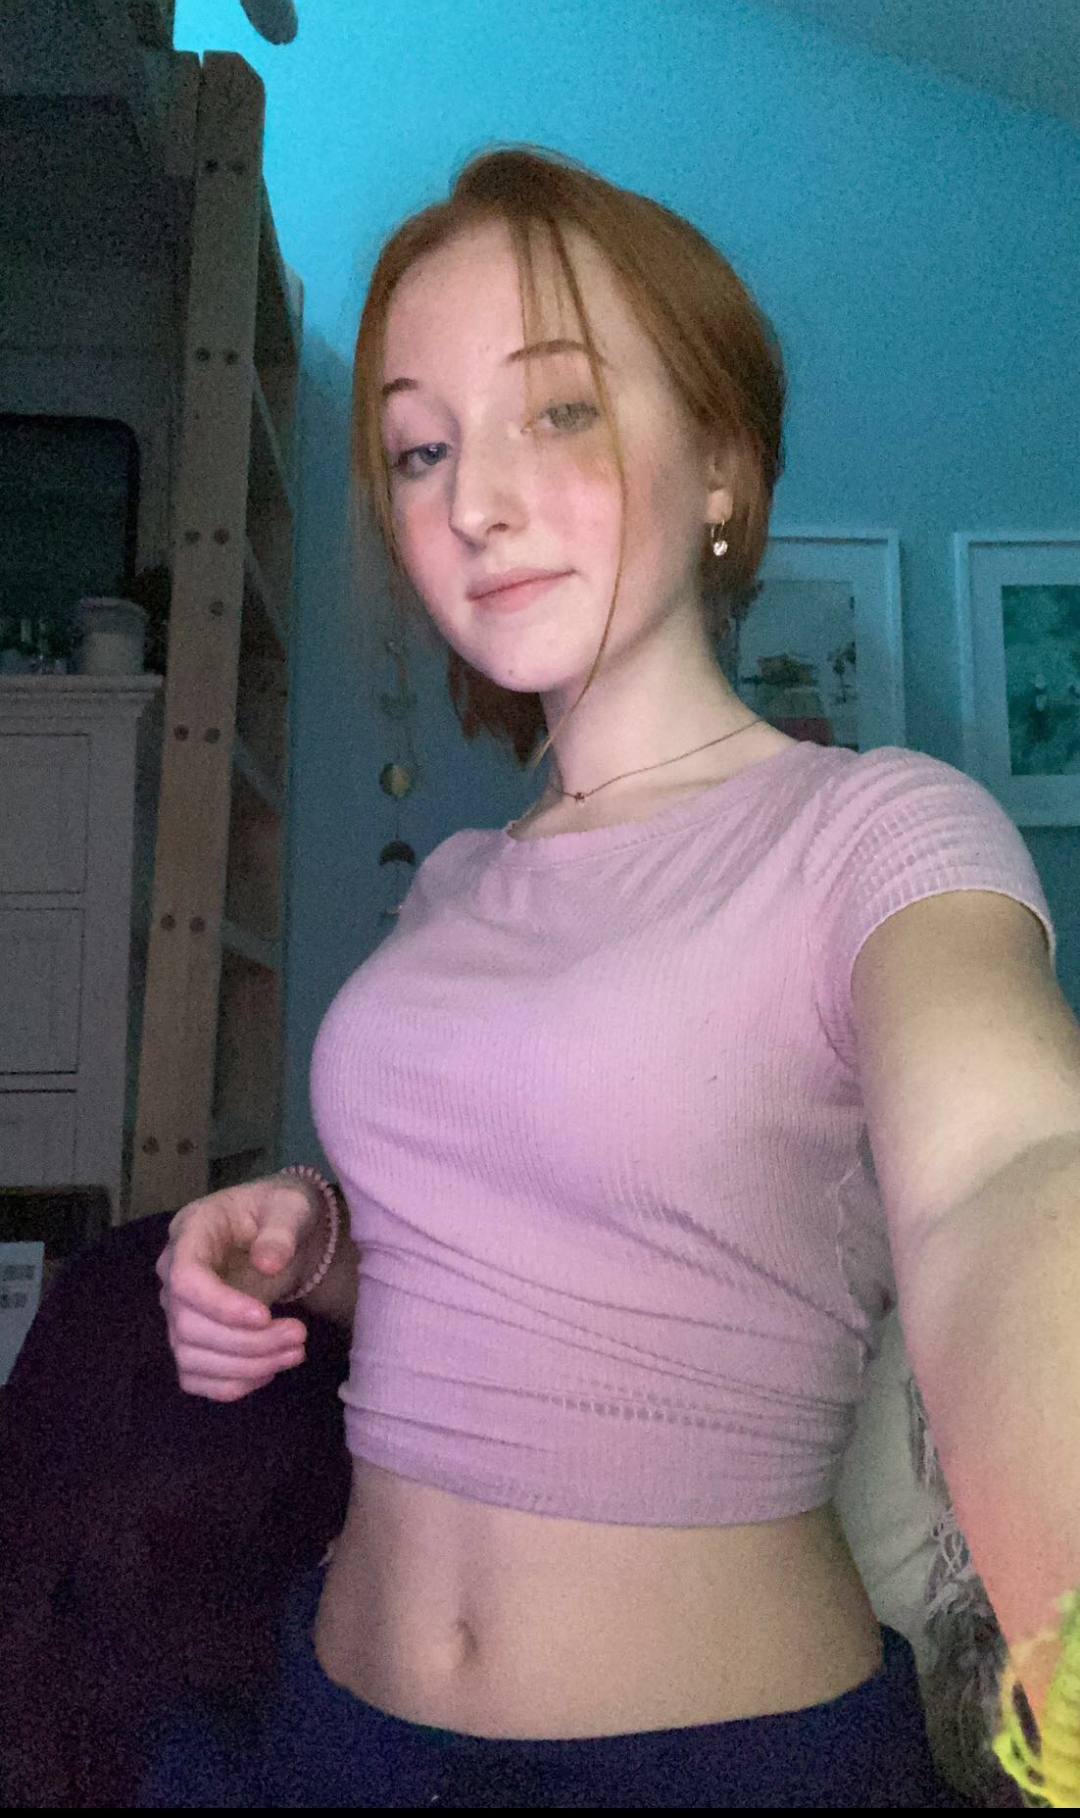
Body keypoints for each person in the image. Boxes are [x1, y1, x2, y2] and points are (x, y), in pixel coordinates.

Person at [148, 145, 1058, 1807]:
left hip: (719, 1763)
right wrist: (308, 1241)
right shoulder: (461, 884)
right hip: (336, 1727)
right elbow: (500, 1267)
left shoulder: (874, 828)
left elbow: (1007, 1169)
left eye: (557, 409)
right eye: (421, 448)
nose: (471, 501)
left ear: (722, 461)